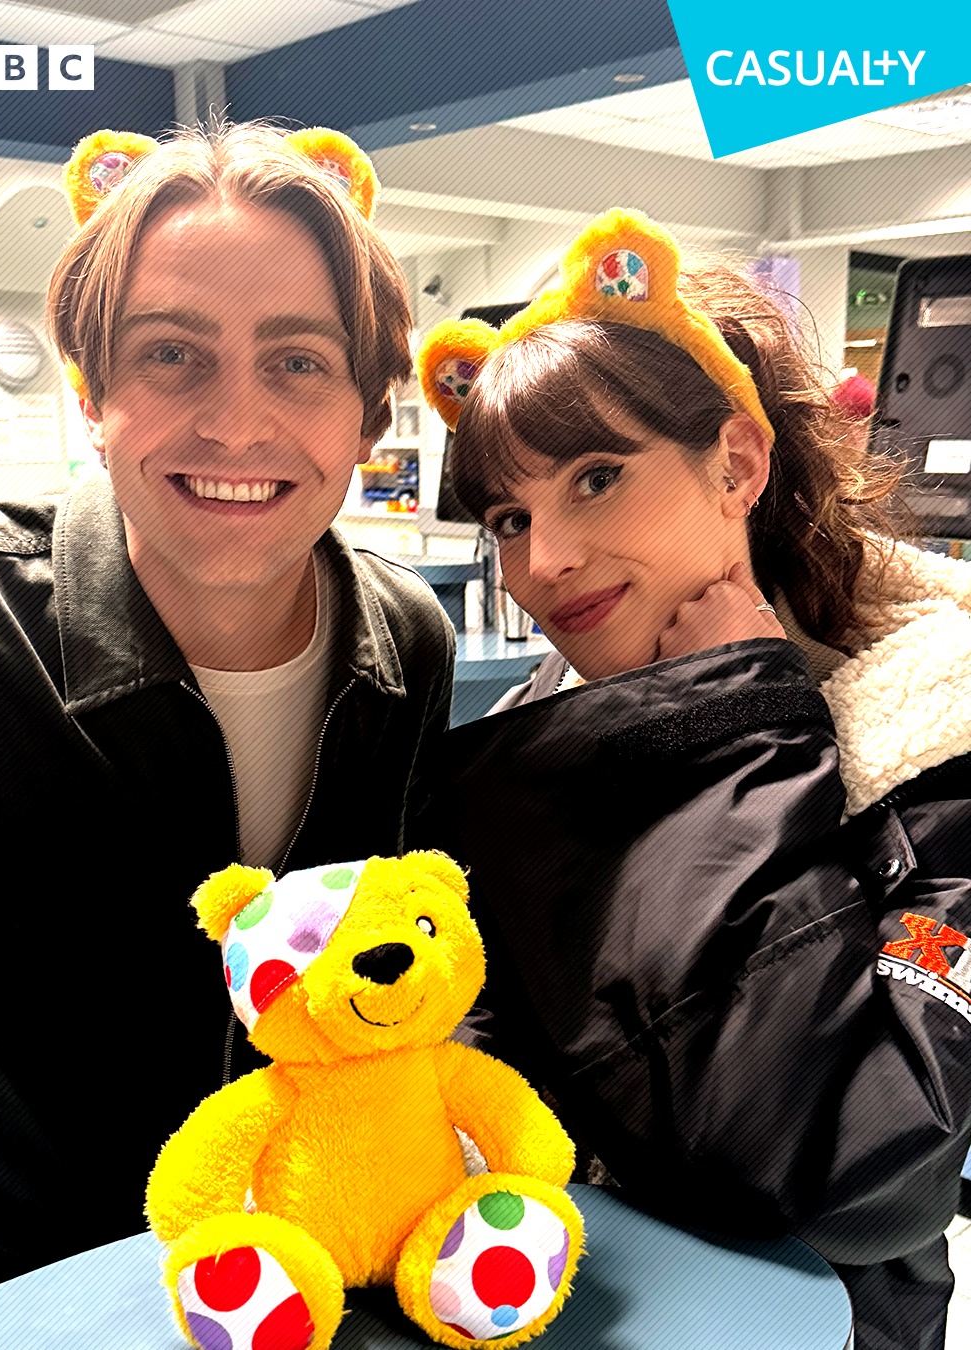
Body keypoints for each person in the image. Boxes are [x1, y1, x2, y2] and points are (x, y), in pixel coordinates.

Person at [0, 121, 455, 1317]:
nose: (237, 423)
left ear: (368, 418)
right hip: (19, 1301)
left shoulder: (407, 645)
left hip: (322, 1285)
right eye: (170, 355)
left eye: (298, 361)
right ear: (91, 393)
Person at [415, 209, 971, 1350]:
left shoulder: (937, 740)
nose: (544, 561)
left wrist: (736, 736)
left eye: (597, 478)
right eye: (511, 517)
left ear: (738, 463)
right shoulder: (540, 729)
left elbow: (865, 1173)